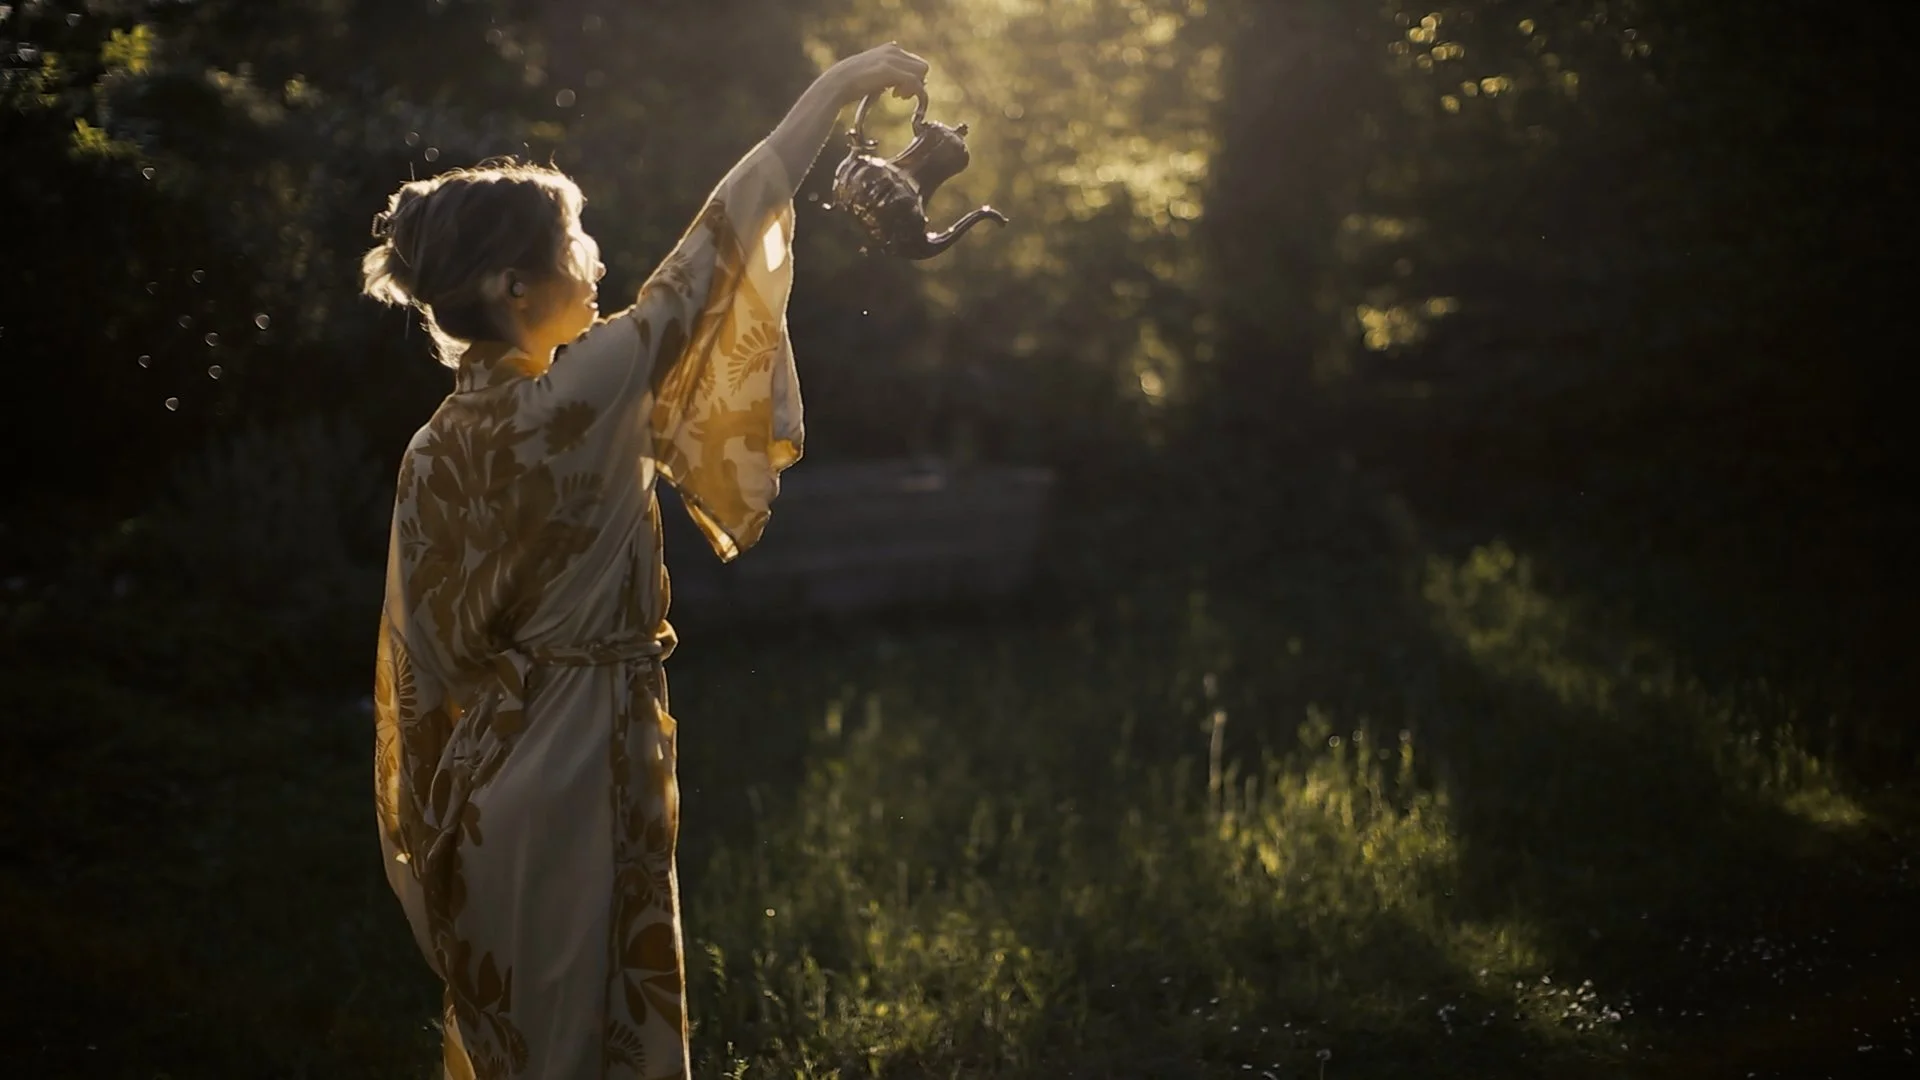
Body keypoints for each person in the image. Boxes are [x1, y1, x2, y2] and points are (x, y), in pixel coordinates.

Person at [361, 43, 930, 1080]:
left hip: (497, 782)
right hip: (574, 766)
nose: (598, 259)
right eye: (577, 240)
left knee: (535, 1045)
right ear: (510, 282)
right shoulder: (579, 396)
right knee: (594, 1047)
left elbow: (423, 666)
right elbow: (718, 238)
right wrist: (833, 89)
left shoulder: (435, 447)